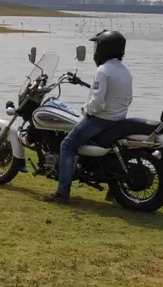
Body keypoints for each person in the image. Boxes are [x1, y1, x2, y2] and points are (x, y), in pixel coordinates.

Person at [43, 29, 132, 203]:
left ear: (104, 48)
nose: (95, 49)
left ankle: (62, 193)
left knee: (67, 145)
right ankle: (113, 190)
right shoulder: (125, 70)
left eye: (97, 45)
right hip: (118, 120)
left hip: (100, 120)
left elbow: (97, 102)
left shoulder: (103, 70)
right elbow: (128, 98)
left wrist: (86, 110)